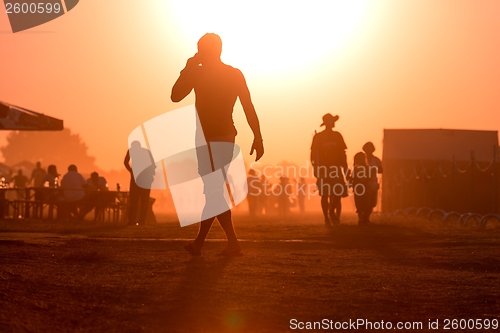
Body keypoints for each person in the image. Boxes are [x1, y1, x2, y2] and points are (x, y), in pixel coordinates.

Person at [171, 33, 264, 256]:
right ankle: (228, 244)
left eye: (200, 50)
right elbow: (248, 107)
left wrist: (188, 67)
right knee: (214, 192)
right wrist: (257, 137)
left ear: (206, 51)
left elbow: (175, 95)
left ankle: (203, 244)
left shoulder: (200, 73)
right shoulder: (230, 74)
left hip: (217, 138)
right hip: (217, 138)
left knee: (213, 191)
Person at [310, 114, 348, 226]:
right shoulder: (318, 137)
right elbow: (313, 155)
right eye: (331, 121)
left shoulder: (337, 136)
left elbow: (342, 153)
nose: (333, 123)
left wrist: (345, 167)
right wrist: (315, 168)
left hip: (336, 169)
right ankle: (326, 217)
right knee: (325, 194)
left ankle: (331, 211)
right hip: (323, 169)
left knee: (338, 193)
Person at [124, 144, 155, 226]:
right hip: (144, 179)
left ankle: (133, 221)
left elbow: (125, 162)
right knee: (143, 201)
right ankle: (141, 221)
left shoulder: (132, 151)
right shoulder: (146, 151)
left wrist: (131, 170)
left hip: (137, 179)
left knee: (134, 201)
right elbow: (153, 165)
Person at [347, 152, 371, 225]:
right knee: (360, 204)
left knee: (363, 203)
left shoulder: (364, 168)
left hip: (362, 189)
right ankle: (362, 218)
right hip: (359, 189)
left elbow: (368, 178)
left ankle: (363, 218)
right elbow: (353, 179)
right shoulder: (359, 168)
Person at [363, 142, 383, 221]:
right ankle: (362, 217)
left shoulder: (376, 160)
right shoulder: (361, 160)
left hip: (373, 182)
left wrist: (375, 169)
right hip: (363, 182)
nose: (368, 151)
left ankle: (366, 217)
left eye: (370, 149)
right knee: (363, 200)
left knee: (372, 202)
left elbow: (381, 170)